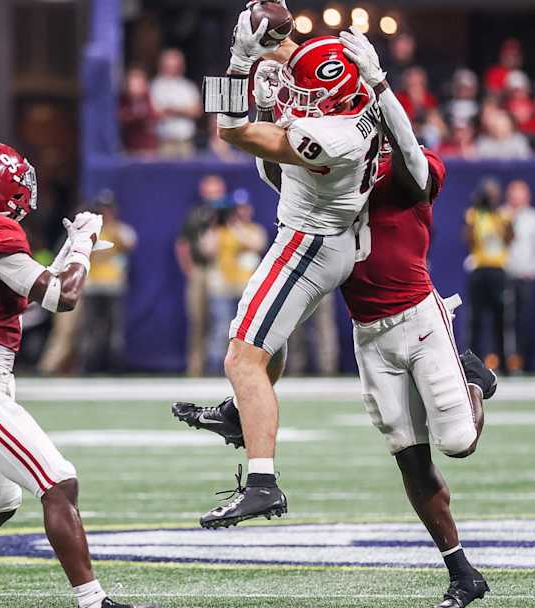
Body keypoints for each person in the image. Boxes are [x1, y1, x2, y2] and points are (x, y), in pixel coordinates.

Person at [176, 30, 498, 608]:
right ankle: (462, 571)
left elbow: (410, 164)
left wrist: (375, 85)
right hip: (369, 335)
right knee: (412, 462)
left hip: (418, 320)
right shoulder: (346, 147)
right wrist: (282, 75)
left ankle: (473, 378)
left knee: (457, 442)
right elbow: (280, 170)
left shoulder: (393, 162)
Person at [0, 142, 154, 608]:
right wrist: (81, 245)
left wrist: (70, 249)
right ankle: (93, 602)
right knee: (58, 482)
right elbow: (63, 298)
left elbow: (35, 284)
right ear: (6, 191)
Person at [192, 18, 407, 529]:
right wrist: (272, 35)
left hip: (308, 242)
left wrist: (239, 63)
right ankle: (242, 411)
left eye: (305, 94)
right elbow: (300, 59)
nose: (297, 96)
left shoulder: (329, 136)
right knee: (267, 340)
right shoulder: (352, 93)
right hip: (332, 234)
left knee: (242, 356)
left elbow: (230, 131)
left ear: (326, 102)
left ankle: (262, 484)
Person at [202, 190, 267, 374]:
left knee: (246, 333)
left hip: (247, 289)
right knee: (221, 328)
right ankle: (215, 368)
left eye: (244, 208)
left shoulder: (253, 229)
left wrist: (235, 226)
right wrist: (216, 226)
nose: (241, 212)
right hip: (223, 287)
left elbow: (257, 244)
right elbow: (207, 250)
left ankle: (245, 368)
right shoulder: (220, 231)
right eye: (237, 209)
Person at [79, 191, 137, 372]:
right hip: (93, 285)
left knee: (114, 329)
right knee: (91, 328)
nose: (106, 213)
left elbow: (129, 245)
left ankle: (113, 365)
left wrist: (112, 227)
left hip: (113, 285)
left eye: (108, 209)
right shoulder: (90, 231)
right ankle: (89, 365)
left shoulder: (121, 230)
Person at [176, 175, 224, 377]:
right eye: (210, 191)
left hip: (221, 269)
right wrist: (188, 268)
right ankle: (196, 366)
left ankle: (222, 364)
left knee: (223, 319)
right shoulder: (195, 214)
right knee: (197, 319)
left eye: (216, 191)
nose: (213, 196)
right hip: (200, 268)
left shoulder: (227, 214)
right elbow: (182, 243)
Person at [463, 178, 513, 371]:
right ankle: (473, 363)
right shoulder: (474, 214)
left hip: (498, 270)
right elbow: (468, 241)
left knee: (500, 318)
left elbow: (509, 239)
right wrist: (477, 211)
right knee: (476, 318)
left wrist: (502, 220)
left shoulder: (503, 215)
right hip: (480, 269)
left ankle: (503, 361)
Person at [503, 180, 535, 373]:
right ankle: (502, 361)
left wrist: (534, 271)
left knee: (524, 321)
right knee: (503, 321)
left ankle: (520, 362)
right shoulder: (501, 215)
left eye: (520, 193)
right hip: (504, 277)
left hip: (525, 279)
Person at [149, 49, 200, 158]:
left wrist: (173, 110)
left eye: (175, 65)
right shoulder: (155, 86)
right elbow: (155, 112)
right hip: (164, 142)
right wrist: (184, 110)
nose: (172, 69)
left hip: (185, 142)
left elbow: (196, 111)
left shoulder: (188, 86)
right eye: (169, 65)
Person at [118, 67, 158, 155]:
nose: (134, 87)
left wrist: (138, 115)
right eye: (132, 84)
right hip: (128, 148)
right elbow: (121, 118)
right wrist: (134, 114)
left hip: (147, 149)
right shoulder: (122, 100)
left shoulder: (149, 98)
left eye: (138, 84)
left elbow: (152, 118)